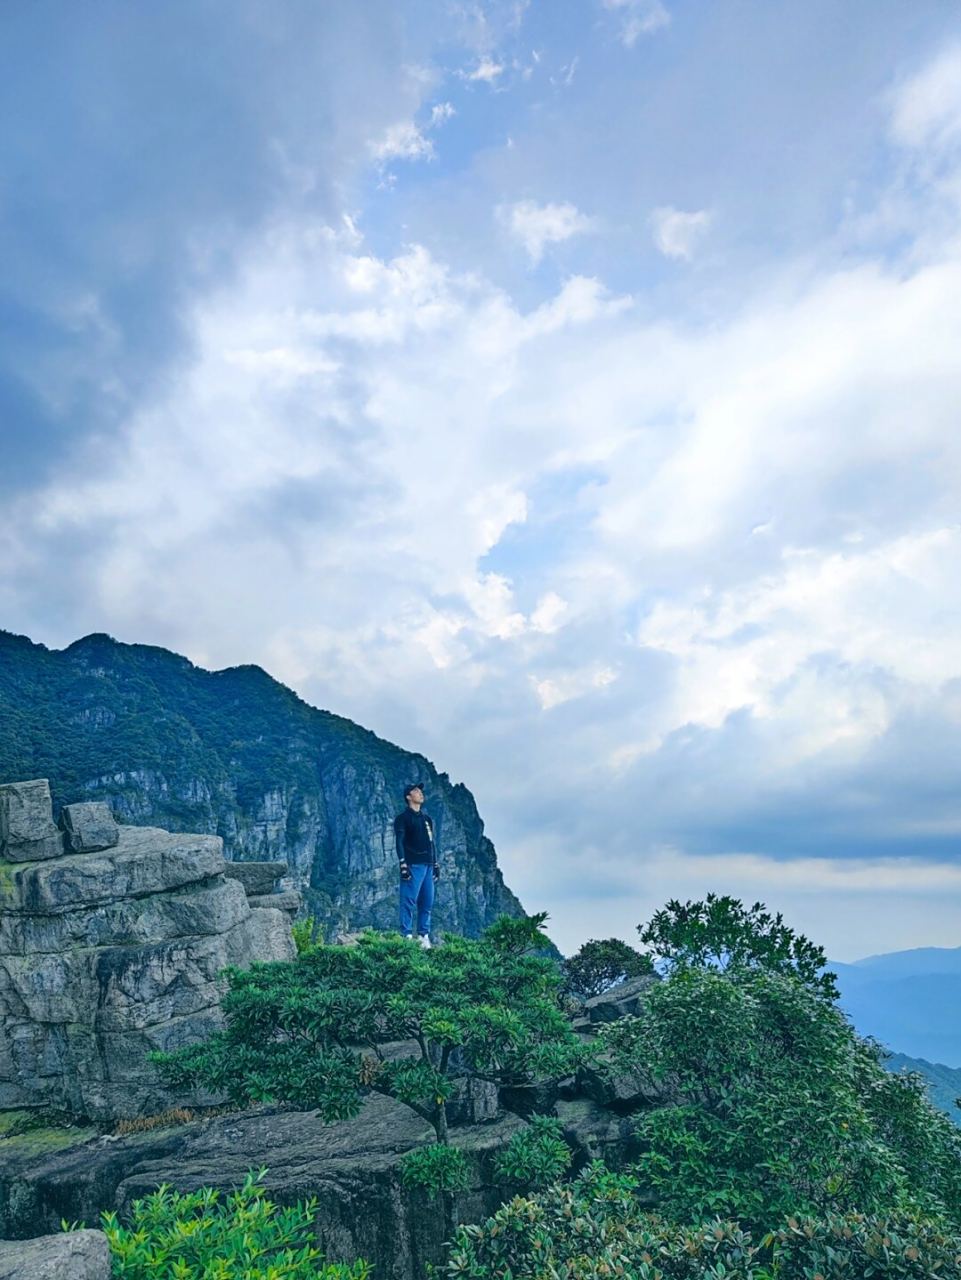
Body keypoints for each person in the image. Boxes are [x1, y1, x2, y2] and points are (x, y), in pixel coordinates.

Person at [393, 782, 439, 948]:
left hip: (428, 864)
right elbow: (399, 841)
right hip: (413, 864)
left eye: (421, 791)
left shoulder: (427, 820)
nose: (420, 793)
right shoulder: (402, 819)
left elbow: (431, 842)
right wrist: (403, 864)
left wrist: (436, 863)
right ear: (408, 796)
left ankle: (423, 936)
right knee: (408, 900)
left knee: (427, 902)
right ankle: (406, 935)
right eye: (416, 791)